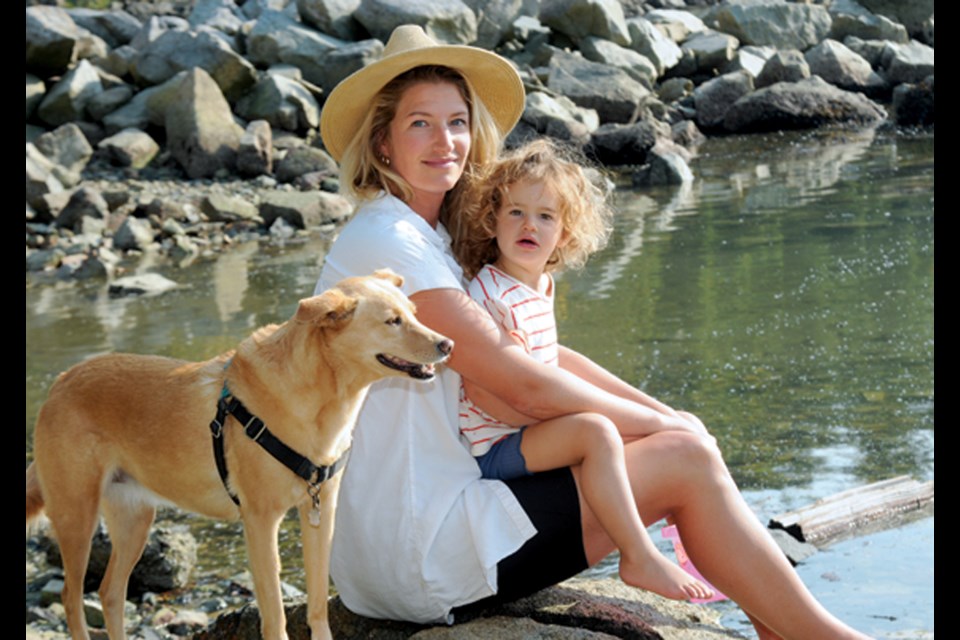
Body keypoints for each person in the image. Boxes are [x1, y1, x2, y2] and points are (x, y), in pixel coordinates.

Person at [315, 23, 872, 640]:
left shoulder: (428, 238)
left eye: (457, 121)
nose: (445, 140)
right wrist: (665, 430)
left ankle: (783, 632)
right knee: (685, 460)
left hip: (415, 533)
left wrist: (664, 412)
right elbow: (522, 385)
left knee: (685, 440)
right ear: (383, 143)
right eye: (420, 122)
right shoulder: (390, 244)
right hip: (421, 553)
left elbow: (545, 354)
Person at [455, 138, 713, 602]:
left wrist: (658, 415)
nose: (528, 225)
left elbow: (552, 363)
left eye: (545, 216)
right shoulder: (488, 296)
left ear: (565, 234)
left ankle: (685, 535)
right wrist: (585, 419)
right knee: (596, 432)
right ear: (492, 220)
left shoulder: (537, 286)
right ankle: (637, 554)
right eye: (515, 212)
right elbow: (498, 397)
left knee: (671, 433)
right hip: (494, 447)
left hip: (529, 434)